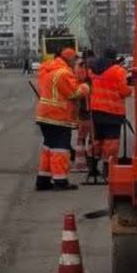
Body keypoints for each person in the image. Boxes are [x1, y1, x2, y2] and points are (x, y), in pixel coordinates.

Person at [34, 47, 88, 191]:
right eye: (74, 60)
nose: (75, 64)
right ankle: (60, 180)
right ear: (70, 59)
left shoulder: (50, 70)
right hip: (57, 116)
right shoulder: (63, 73)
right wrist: (85, 87)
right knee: (60, 149)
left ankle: (43, 179)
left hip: (45, 115)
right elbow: (73, 93)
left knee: (49, 148)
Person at [89, 47, 132, 178]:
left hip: (96, 110)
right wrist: (129, 86)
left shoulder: (93, 70)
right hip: (113, 111)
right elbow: (125, 91)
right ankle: (108, 167)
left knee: (97, 139)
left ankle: (93, 165)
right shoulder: (119, 71)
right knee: (111, 141)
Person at [71, 50, 96, 173]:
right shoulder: (94, 67)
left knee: (81, 137)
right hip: (93, 107)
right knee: (92, 137)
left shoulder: (78, 66)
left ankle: (80, 164)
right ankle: (92, 164)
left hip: (83, 107)